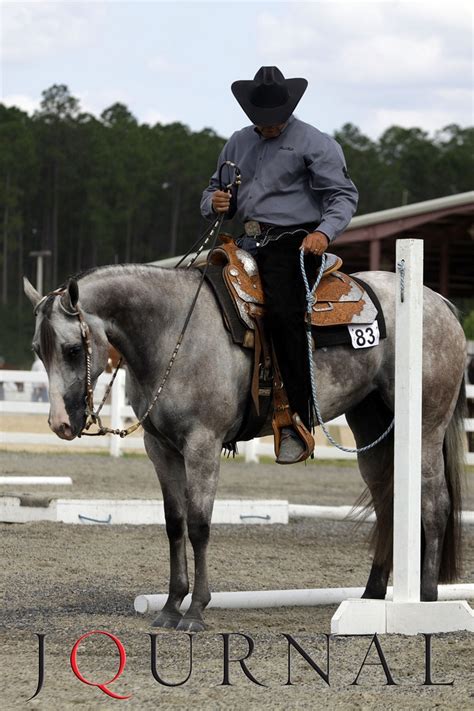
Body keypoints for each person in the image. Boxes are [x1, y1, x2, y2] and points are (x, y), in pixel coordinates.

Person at [201, 66, 358, 464]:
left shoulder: (315, 143)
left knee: (285, 313)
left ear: (289, 109)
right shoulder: (237, 143)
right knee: (200, 299)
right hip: (246, 240)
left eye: (274, 121)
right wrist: (216, 203)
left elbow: (342, 195)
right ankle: (214, 403)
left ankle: (297, 416)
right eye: (261, 121)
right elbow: (215, 191)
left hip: (294, 240)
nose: (268, 127)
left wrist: (323, 233)